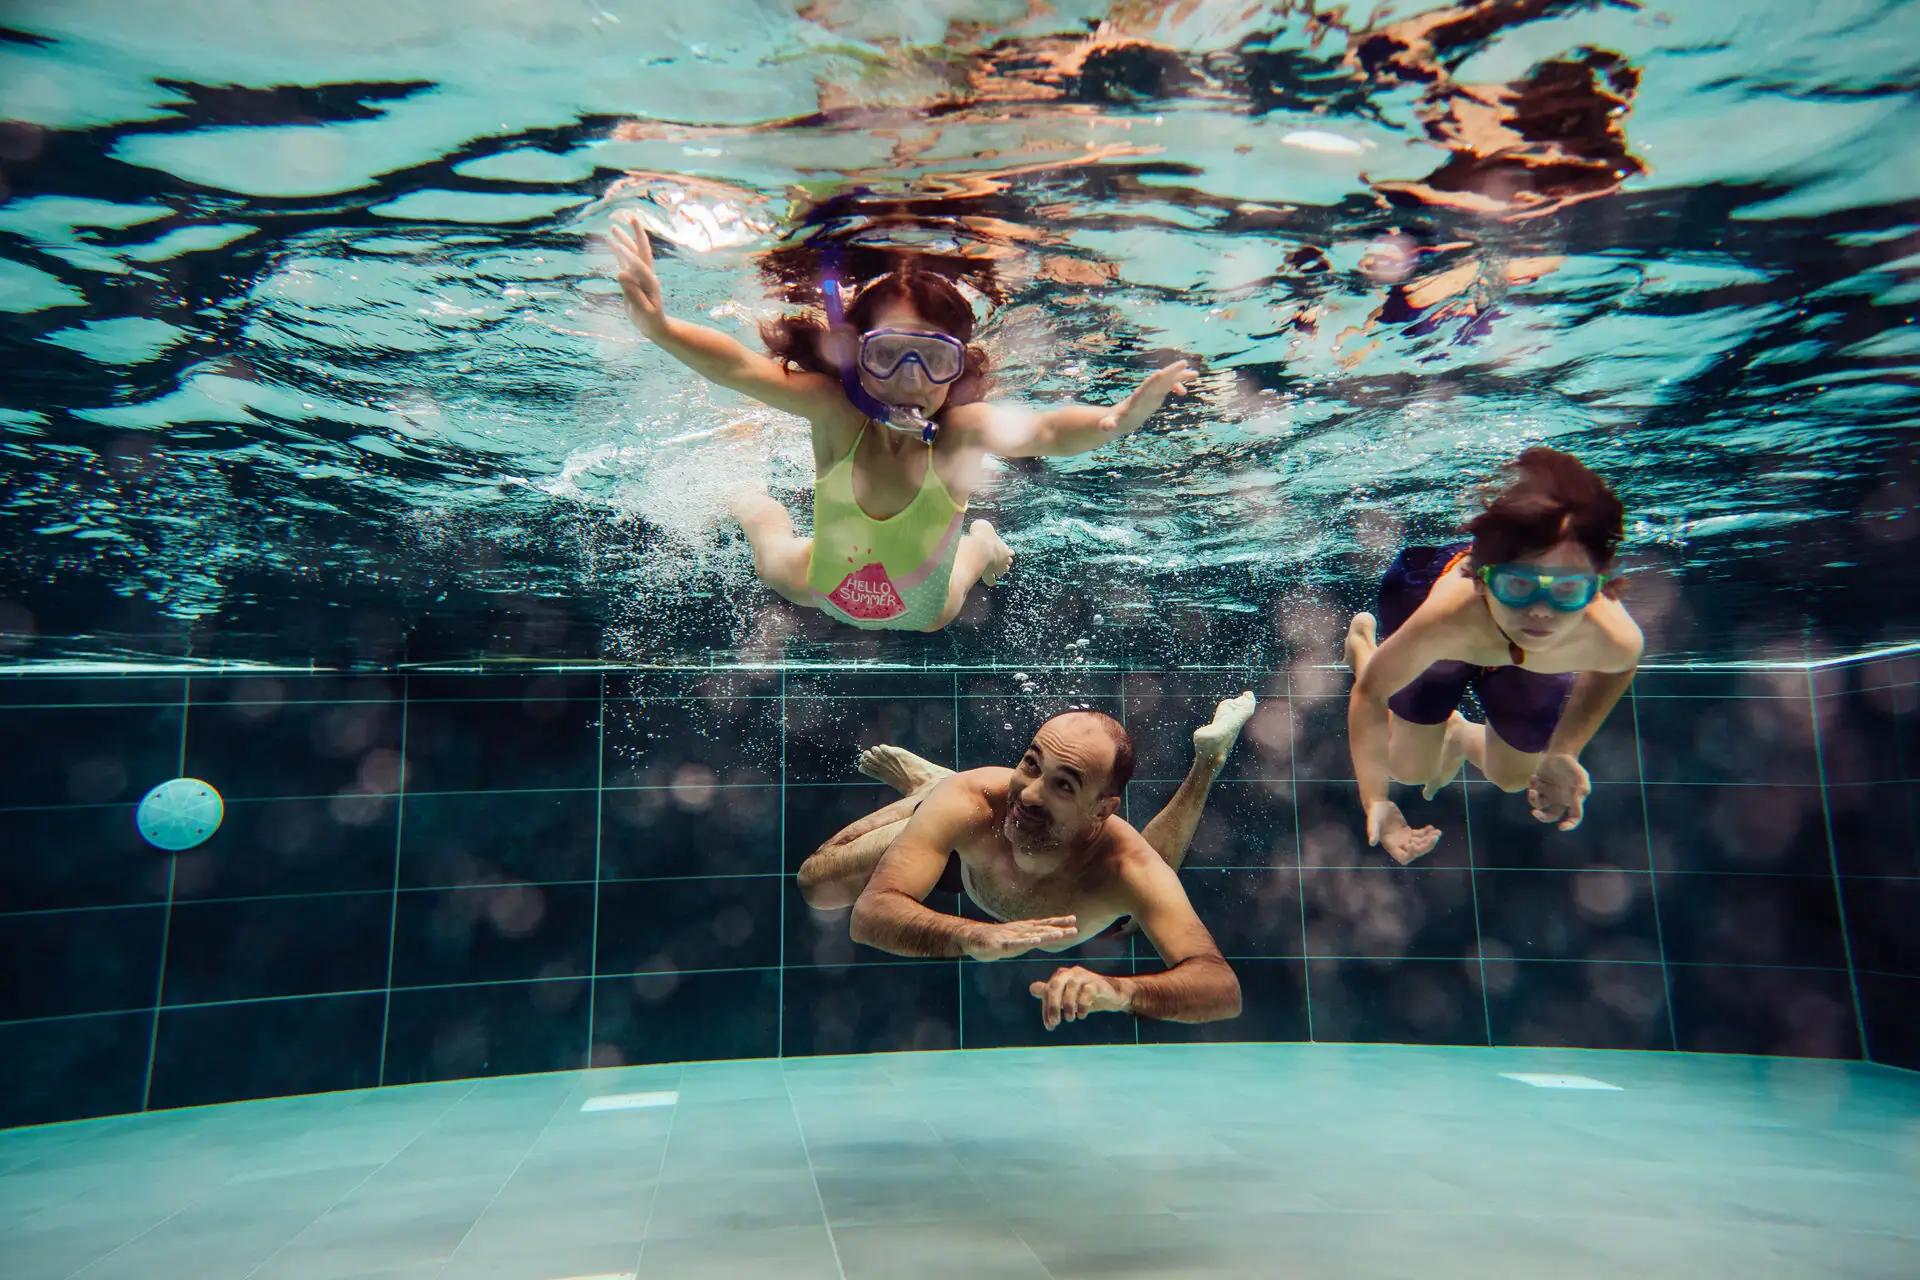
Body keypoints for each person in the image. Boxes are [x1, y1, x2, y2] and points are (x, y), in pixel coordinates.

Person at [605, 214, 1195, 630]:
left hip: (928, 612)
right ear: (857, 355)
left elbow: (1044, 432)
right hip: (819, 586)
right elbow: (738, 369)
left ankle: (985, 545)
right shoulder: (835, 412)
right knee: (767, 542)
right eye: (889, 354)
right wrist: (660, 327)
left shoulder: (961, 431)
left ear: (956, 369)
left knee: (967, 563)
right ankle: (740, 497)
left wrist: (1115, 419)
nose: (910, 379)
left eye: (933, 358)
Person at [797, 695, 1257, 1029]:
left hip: (1081, 880)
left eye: (1064, 785)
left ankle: (1208, 760)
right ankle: (928, 792)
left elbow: (1221, 987)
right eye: (1032, 764)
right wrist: (972, 935)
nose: (1032, 794)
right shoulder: (975, 803)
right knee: (817, 887)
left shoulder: (1127, 866)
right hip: (975, 848)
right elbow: (871, 913)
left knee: (1135, 908)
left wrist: (1121, 993)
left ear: (1102, 810)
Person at [1342, 446, 1643, 864]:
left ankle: (1461, 734)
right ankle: (1362, 644)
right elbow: (1371, 694)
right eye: (1518, 586)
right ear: (1482, 581)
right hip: (1436, 612)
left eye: (1568, 590)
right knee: (1408, 769)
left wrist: (1564, 751)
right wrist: (1375, 800)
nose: (1542, 610)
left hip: (1502, 642)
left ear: (1598, 587)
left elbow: (1618, 669)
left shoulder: (1611, 636)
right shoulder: (1443, 620)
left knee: (1517, 778)